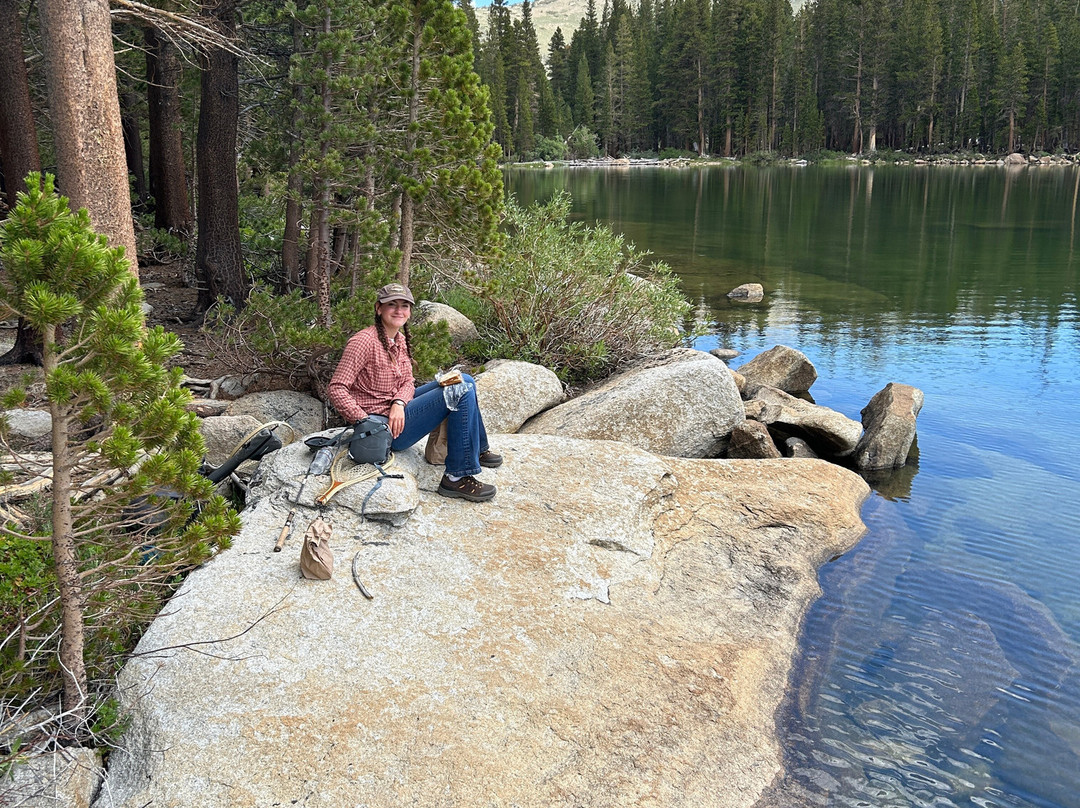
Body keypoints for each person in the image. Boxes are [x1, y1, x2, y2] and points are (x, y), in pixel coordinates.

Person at [327, 283, 502, 502]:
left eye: (404, 305)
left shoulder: (399, 339)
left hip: (397, 410)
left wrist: (398, 403)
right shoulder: (363, 342)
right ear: (379, 308)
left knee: (465, 380)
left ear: (409, 311)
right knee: (461, 391)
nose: (399, 310)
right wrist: (364, 422)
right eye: (392, 304)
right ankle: (456, 477)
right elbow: (336, 388)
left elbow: (408, 381)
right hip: (385, 428)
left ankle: (477, 450)